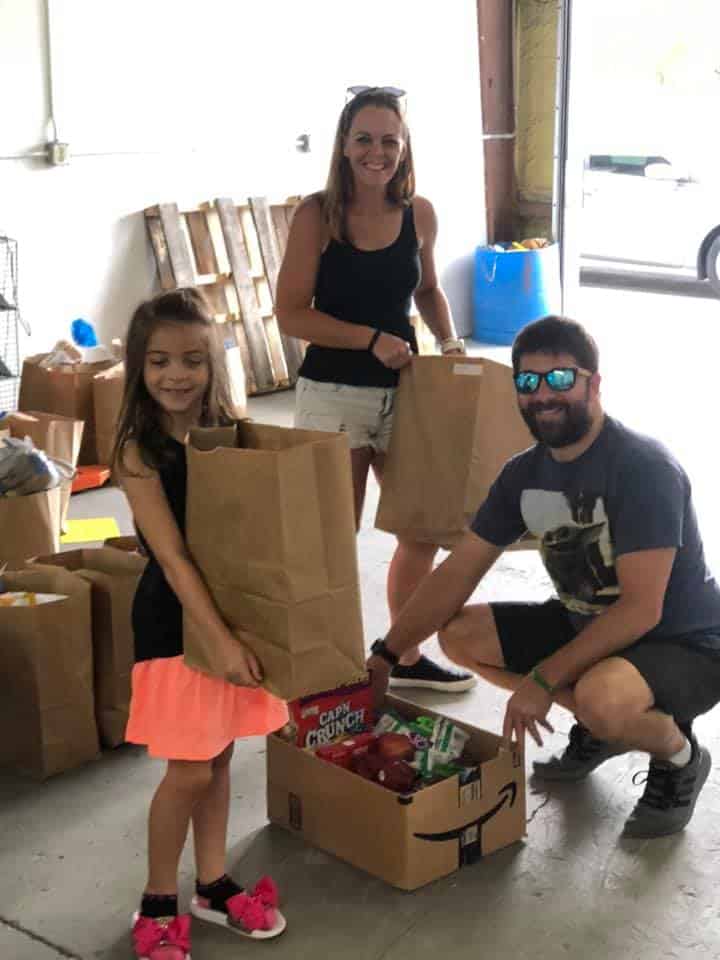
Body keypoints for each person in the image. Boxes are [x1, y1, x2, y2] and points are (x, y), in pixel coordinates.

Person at [367, 314, 720, 839]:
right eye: (527, 382)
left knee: (602, 697)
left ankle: (678, 754)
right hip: (589, 624)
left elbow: (641, 609)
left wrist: (543, 679)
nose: (542, 395)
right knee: (459, 634)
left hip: (684, 642)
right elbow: (459, 569)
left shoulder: (643, 468)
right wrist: (387, 653)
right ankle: (604, 730)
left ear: (593, 383)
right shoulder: (523, 475)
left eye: (559, 378)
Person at [277, 85, 474, 694]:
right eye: (364, 138)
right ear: (343, 145)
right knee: (335, 537)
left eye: (390, 139)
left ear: (404, 146)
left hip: (408, 393)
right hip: (334, 396)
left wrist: (449, 343)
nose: (377, 151)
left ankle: (403, 655)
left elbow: (426, 290)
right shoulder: (318, 215)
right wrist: (368, 339)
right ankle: (327, 665)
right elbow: (290, 313)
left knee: (423, 528)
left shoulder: (421, 213)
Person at [113, 289, 288, 959]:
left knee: (217, 758)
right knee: (187, 770)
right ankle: (158, 899)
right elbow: (174, 558)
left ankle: (212, 884)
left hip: (232, 614)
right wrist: (219, 639)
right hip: (176, 625)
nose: (176, 376)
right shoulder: (137, 449)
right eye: (159, 362)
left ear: (215, 363)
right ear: (139, 366)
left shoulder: (229, 433)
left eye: (192, 360)